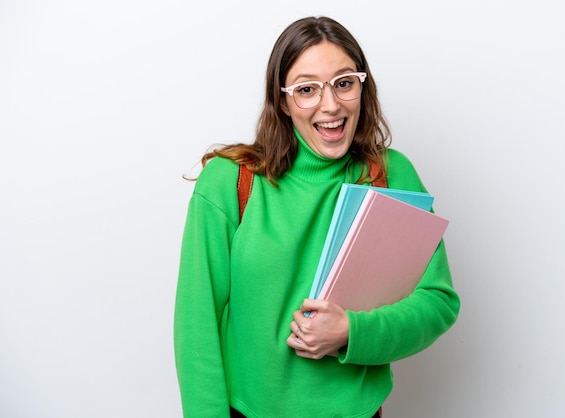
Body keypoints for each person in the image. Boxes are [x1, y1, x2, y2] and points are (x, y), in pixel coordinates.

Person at [174, 15, 460, 418]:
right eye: (307, 89)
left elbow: (437, 302)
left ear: (363, 87)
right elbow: (196, 326)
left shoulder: (389, 175)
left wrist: (350, 333)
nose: (331, 105)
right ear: (283, 101)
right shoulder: (230, 181)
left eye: (344, 83)